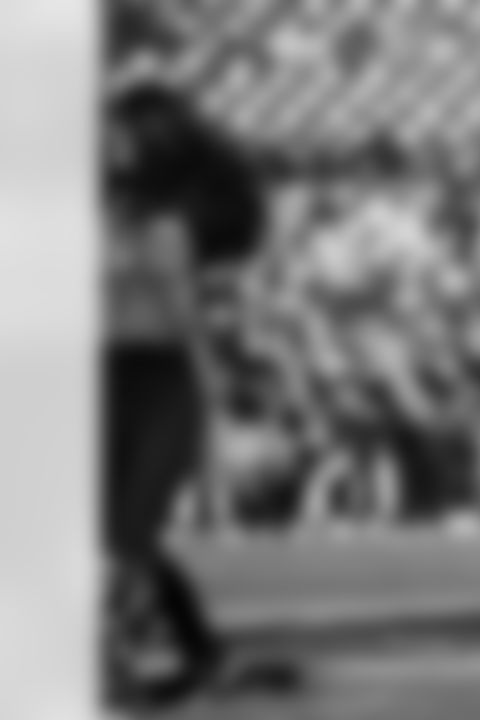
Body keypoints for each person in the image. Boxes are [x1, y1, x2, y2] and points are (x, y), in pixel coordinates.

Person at [103, 82, 266, 708]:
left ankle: (132, 663)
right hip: (102, 376)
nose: (109, 144)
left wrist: (207, 405)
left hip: (155, 381)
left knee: (125, 536)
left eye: (120, 134)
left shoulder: (164, 226)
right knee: (111, 534)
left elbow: (183, 321)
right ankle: (192, 654)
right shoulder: (99, 214)